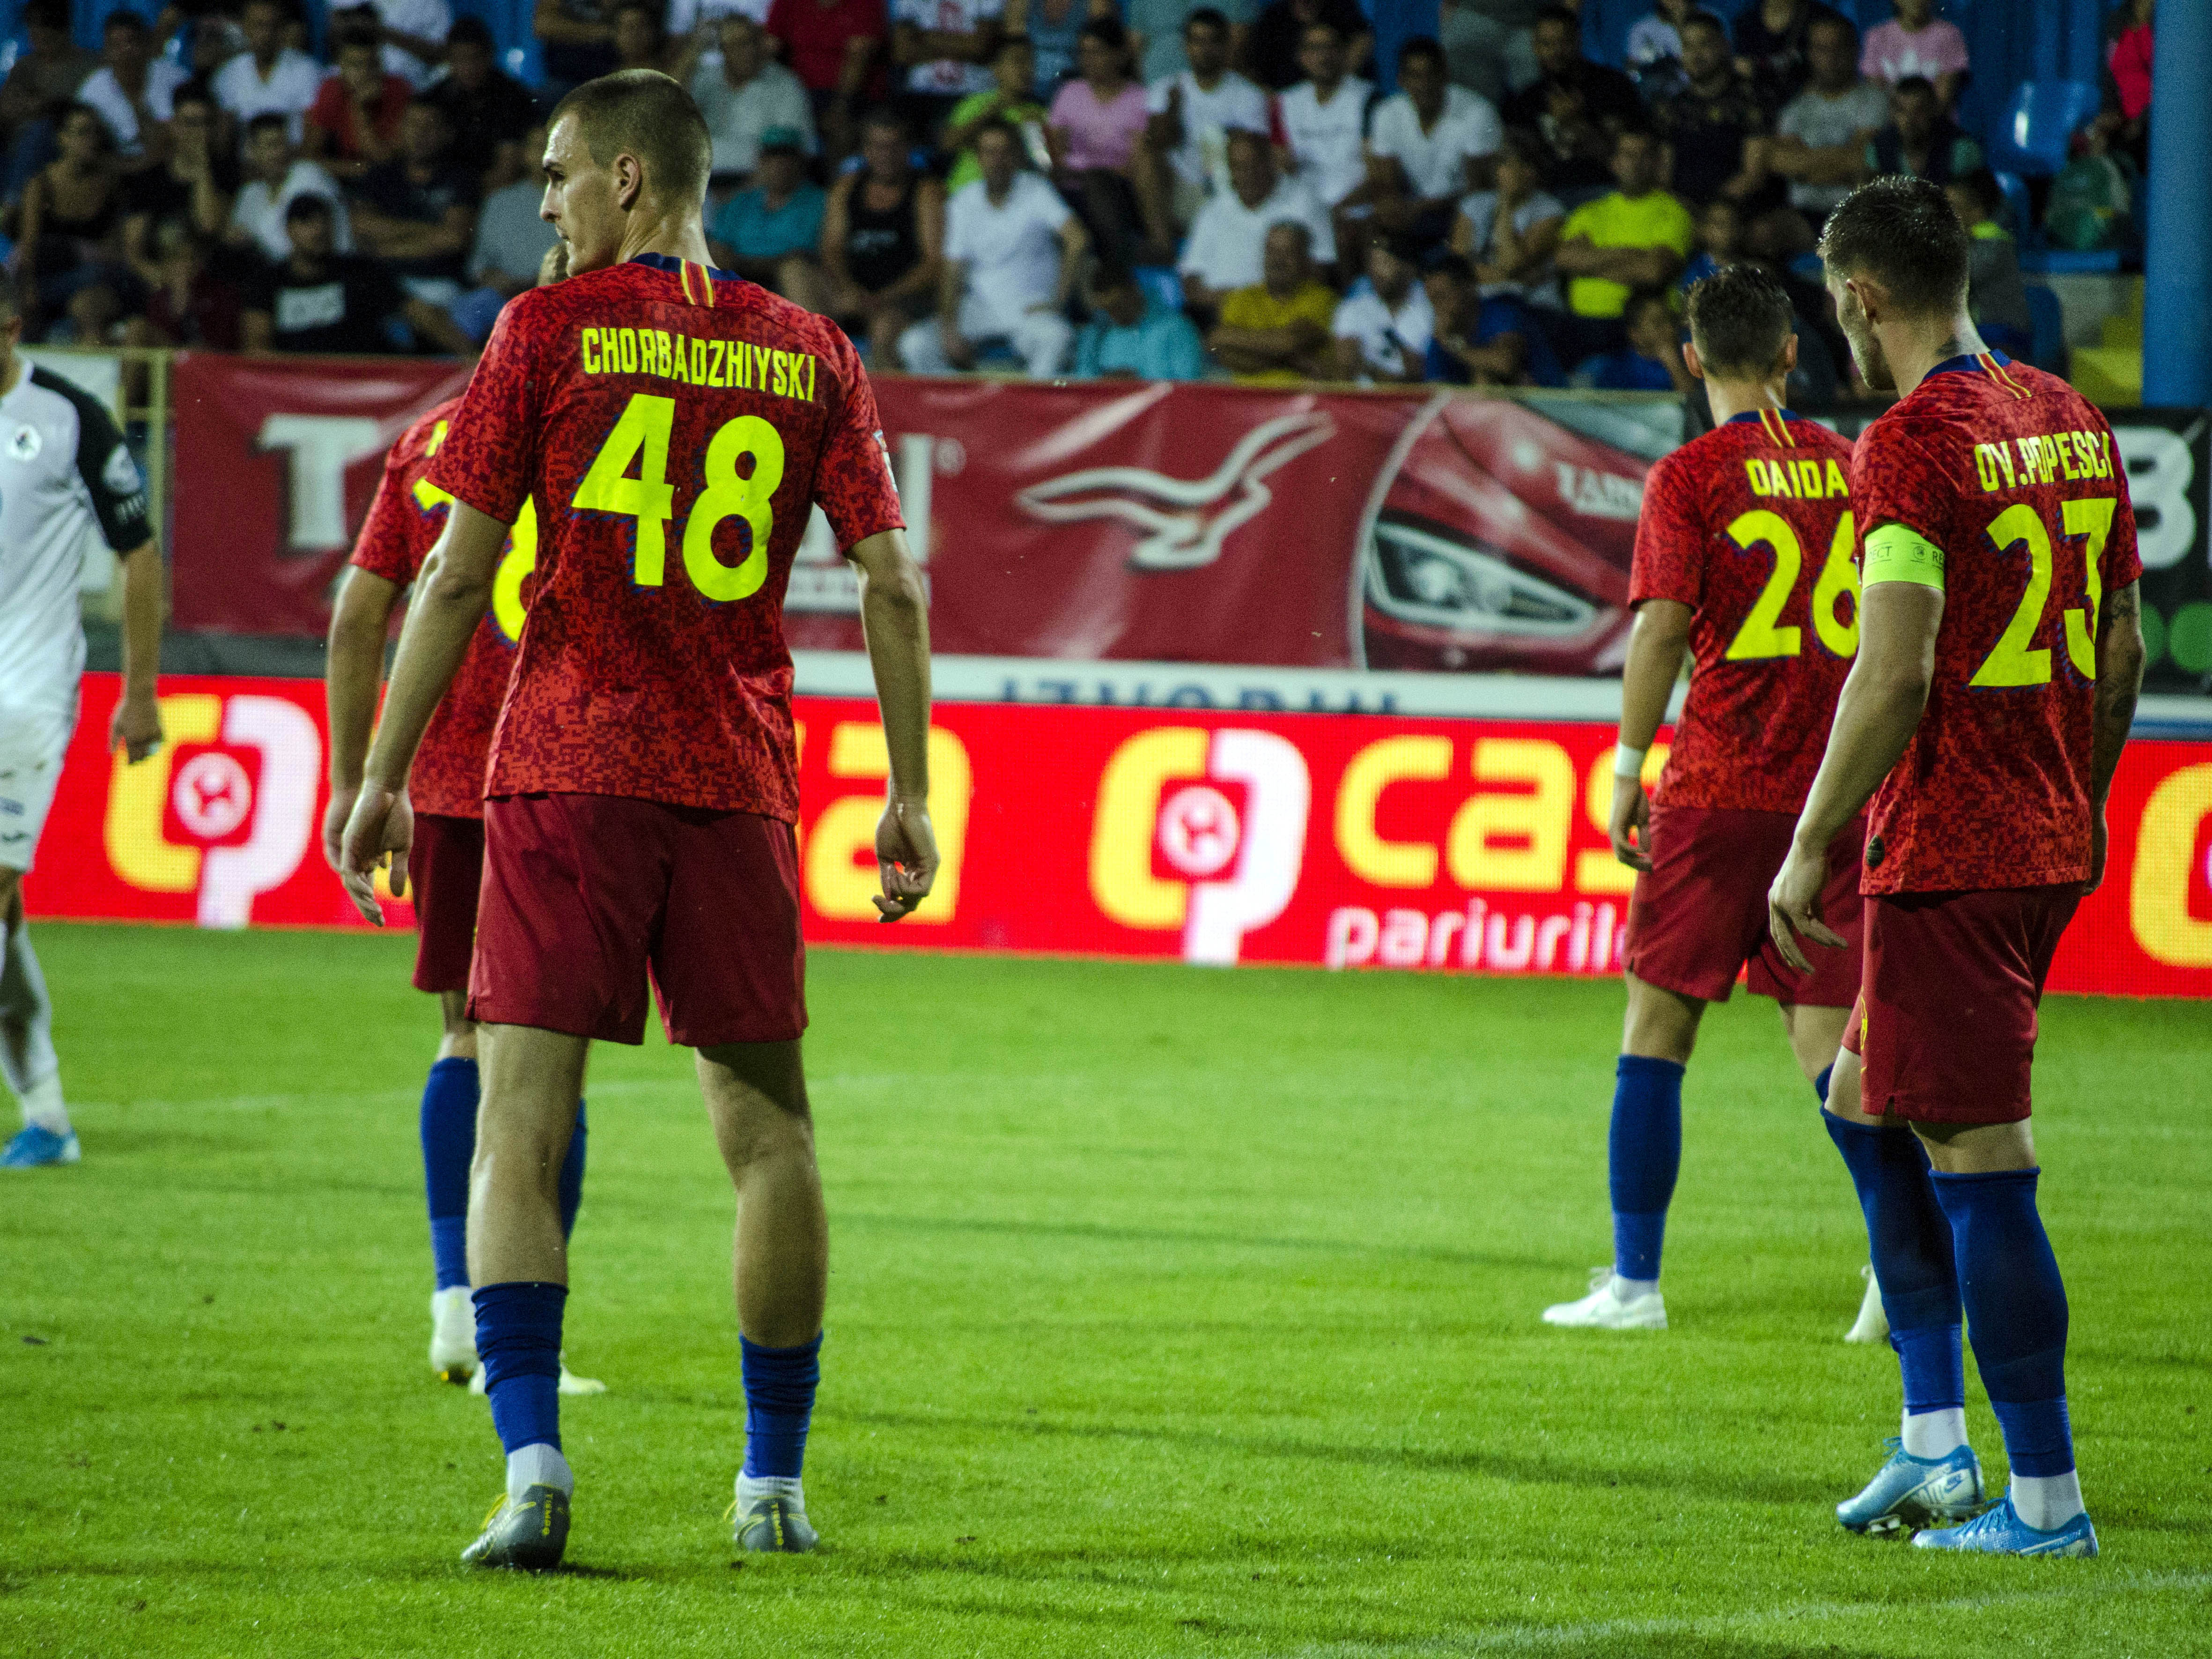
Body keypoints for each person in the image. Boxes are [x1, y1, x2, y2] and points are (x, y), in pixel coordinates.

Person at [338, 66, 933, 1570]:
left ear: (623, 176)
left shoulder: (539, 331)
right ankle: (772, 1483)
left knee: (517, 1128)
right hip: (734, 780)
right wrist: (910, 794)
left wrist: (380, 771)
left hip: (560, 767)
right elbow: (892, 582)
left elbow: (453, 576)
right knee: (769, 1136)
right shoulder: (811, 351)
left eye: (553, 175)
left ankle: (533, 1466)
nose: (538, 201)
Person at [1769, 174, 2144, 1557]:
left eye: (1834, 305)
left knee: (1979, 1156)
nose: (1837, 329)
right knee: (1859, 1097)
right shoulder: (2065, 414)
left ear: (1861, 296)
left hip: (1947, 851)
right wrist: (2078, 794)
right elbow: (2117, 643)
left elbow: (1893, 662)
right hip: (2041, 830)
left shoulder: (1908, 441)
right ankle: (1932, 1441)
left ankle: (2040, 1504)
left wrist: (1808, 840)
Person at [1540, 261, 1861, 1331]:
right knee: (1827, 1046)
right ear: (1787, 354)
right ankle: (1893, 1268)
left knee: (1654, 1030)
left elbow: (1660, 626)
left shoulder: (1685, 476)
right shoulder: (1850, 463)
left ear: (1689, 358)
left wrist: (1628, 764)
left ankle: (1633, 1282)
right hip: (1828, 791)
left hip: (1718, 785)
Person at [325, 249, 600, 1394]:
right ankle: (519, 1337)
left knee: (461, 1036)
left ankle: (455, 1306)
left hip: (440, 775)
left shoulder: (427, 443)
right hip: (572, 767)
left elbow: (357, 618)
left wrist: (356, 783)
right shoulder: (622, 426)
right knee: (555, 1065)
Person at [0, 285, 163, 1169]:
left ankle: (46, 1116)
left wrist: (139, 691)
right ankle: (49, 1113)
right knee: (7, 916)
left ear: (12, 327)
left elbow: (138, 552)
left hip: (27, 692)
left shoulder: (67, 418)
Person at [900, 116, 1086, 375]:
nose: (997, 160)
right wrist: (949, 328)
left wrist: (1057, 302)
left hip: (1031, 309)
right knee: (915, 345)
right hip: (981, 307)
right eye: (989, 152)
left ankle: (1030, 415)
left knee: (1057, 340)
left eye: (1005, 151)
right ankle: (958, 413)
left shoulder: (1035, 190)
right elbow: (953, 269)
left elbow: (1078, 239)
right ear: (978, 157)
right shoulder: (963, 201)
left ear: (1016, 155)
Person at [786, 106, 943, 365]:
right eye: (878, 147)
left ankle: (879, 404)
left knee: (883, 329)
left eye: (894, 146)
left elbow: (933, 263)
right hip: (852, 292)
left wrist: (885, 297)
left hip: (902, 298)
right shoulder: (847, 188)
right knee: (795, 271)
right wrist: (850, 290)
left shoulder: (926, 191)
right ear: (866, 150)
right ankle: (814, 381)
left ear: (907, 148)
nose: (886, 155)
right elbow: (831, 250)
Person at [242, 193, 476, 354]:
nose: (319, 231)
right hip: (296, 391)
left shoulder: (360, 272)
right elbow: (257, 345)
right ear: (289, 231)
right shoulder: (267, 282)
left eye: (324, 222)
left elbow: (419, 313)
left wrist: (473, 359)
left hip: (362, 388)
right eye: (307, 223)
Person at [1553, 126, 1693, 364]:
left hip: (1643, 329)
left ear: (1656, 162)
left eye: (1644, 155)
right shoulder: (1589, 212)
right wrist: (1628, 253)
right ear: (1615, 162)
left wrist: (1590, 264)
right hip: (1583, 324)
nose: (1636, 163)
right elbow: (1565, 259)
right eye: (1628, 155)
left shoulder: (1674, 213)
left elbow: (1653, 272)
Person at [1355, 35, 1501, 245]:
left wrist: (1421, 208)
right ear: (1401, 80)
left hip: (1462, 213)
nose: (1424, 84)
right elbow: (1385, 182)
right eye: (1415, 76)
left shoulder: (1477, 112)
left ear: (1445, 75)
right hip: (1413, 213)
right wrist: (1396, 209)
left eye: (1430, 74)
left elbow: (1478, 189)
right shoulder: (1387, 113)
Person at [1047, 17, 1167, 263]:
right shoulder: (1069, 93)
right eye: (1084, 52)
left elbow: (1139, 159)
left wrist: (1101, 174)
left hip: (1123, 188)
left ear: (1118, 56)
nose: (1088, 59)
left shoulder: (1138, 97)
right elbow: (1055, 153)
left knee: (1100, 182)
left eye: (1097, 52)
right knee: (1090, 181)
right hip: (1073, 186)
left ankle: (1151, 246)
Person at [1177, 125, 1333, 315]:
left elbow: (1322, 270)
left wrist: (1257, 302)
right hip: (1219, 312)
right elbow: (1191, 280)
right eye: (1238, 166)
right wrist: (1239, 303)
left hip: (1281, 312)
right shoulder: (1213, 210)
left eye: (1254, 164)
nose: (1247, 174)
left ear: (1271, 162)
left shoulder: (1304, 201)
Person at [1765, 15, 1886, 249]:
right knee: (1764, 233)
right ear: (1810, 54)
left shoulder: (1874, 101)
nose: (1830, 57)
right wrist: (1840, 162)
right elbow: (1782, 161)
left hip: (1857, 213)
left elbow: (1861, 160)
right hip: (1803, 216)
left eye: (1838, 48)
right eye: (1821, 49)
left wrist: (1808, 168)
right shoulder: (1795, 108)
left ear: (1854, 50)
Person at [14, 103, 133, 340]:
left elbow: (117, 251)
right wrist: (27, 288)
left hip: (95, 281)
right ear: (62, 139)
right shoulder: (40, 185)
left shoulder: (108, 185)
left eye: (94, 133)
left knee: (91, 297)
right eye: (81, 133)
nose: (90, 140)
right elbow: (28, 247)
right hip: (50, 283)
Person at [349, 101, 482, 311]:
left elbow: (455, 239)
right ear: (401, 130)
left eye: (430, 126)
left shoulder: (460, 179)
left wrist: (385, 248)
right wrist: (431, 232)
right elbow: (364, 226)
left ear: (446, 134)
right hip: (385, 283)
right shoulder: (380, 175)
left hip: (440, 285)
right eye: (413, 125)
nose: (421, 134)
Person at [1501, 5, 1642, 197]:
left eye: (1562, 43)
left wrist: (1576, 124)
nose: (1555, 52)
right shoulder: (1527, 99)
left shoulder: (1614, 86)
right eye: (1547, 44)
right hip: (1547, 199)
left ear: (1577, 41)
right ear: (1535, 47)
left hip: (1605, 192)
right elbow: (1525, 163)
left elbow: (1624, 158)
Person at [1143, 7, 1268, 218]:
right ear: (1186, 46)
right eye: (1197, 41)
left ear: (1226, 45)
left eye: (1213, 42)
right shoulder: (1166, 89)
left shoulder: (1248, 94)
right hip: (1180, 188)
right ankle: (1162, 248)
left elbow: (1255, 155)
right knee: (1146, 158)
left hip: (1229, 190)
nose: (1205, 49)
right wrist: (1173, 111)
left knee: (1216, 137)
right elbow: (1157, 142)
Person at [1652, 11, 1774, 213]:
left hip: (1738, 212)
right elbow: (1663, 175)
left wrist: (1714, 210)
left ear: (1724, 47)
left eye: (1704, 44)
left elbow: (1754, 175)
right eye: (1688, 46)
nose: (1696, 54)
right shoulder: (1671, 107)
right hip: (1681, 212)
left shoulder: (1752, 99)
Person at [689, 12, 818, 184]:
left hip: (754, 186)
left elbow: (794, 150)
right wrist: (693, 50)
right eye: (740, 45)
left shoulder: (784, 84)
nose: (749, 51)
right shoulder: (705, 80)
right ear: (724, 49)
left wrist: (745, 195)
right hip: (699, 183)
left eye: (753, 42)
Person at [420, 18, 544, 193]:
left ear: (490, 56)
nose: (470, 68)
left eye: (476, 58)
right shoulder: (436, 99)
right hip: (442, 193)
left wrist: (466, 198)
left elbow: (507, 170)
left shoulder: (513, 97)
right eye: (461, 59)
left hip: (493, 195)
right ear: (450, 60)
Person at [1206, 218, 1334, 384]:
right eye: (1272, 251)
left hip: (1302, 403)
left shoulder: (1322, 299)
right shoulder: (1241, 298)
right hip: (1246, 403)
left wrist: (1242, 343)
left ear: (1306, 259)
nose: (1278, 260)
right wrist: (1292, 363)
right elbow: (1219, 344)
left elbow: (1288, 341)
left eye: (1289, 252)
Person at [1450, 128, 1562, 309]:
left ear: (1529, 171)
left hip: (1531, 306)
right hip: (1479, 303)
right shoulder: (1474, 204)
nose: (1498, 171)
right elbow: (1456, 270)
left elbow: (1511, 264)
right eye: (1498, 164)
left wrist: (1504, 204)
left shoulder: (1549, 211)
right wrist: (1512, 278)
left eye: (1506, 164)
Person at [1272, 20, 1374, 216]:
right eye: (1314, 49)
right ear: (1301, 56)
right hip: (1302, 213)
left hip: (1356, 213)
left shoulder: (1367, 98)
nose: (1323, 56)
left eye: (1330, 47)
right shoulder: (1286, 103)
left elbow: (1378, 174)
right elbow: (1280, 163)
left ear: (1344, 52)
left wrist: (1338, 210)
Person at [1941, 169, 2034, 385]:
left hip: (2002, 335)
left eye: (1953, 207)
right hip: (1977, 335)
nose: (1944, 215)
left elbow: (1956, 279)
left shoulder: (1994, 243)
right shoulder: (1965, 242)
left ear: (1977, 211)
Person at [764, 0, 888, 160]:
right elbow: (771, 45)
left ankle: (840, 183)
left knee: (841, 129)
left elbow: (860, 54)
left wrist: (840, 107)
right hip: (798, 92)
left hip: (853, 96)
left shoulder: (865, 4)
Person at [227, 111, 353, 265]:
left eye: (282, 144)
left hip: (329, 271)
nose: (279, 153)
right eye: (271, 146)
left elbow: (321, 239)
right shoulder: (249, 194)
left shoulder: (310, 175)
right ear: (253, 151)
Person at [710, 127, 828, 288]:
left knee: (794, 271)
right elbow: (720, 247)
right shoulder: (743, 201)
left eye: (787, 156)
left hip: (789, 290)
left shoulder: (818, 201)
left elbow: (802, 257)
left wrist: (745, 265)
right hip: (737, 285)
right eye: (772, 156)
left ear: (801, 161)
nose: (779, 164)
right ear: (761, 161)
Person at [1422, 247, 1556, 385]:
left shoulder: (1500, 312)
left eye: (1442, 296)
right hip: (1497, 404)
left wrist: (1453, 345)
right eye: (1432, 299)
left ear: (1468, 287)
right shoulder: (1444, 332)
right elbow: (1435, 386)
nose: (1437, 306)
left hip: (1552, 399)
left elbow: (1504, 363)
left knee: (1484, 375)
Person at [76, 9, 190, 163]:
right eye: (116, 45)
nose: (125, 51)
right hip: (117, 171)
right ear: (106, 51)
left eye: (132, 42)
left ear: (146, 45)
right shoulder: (91, 91)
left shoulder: (176, 79)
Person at [305, 26, 414, 181]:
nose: (364, 72)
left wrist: (360, 109)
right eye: (356, 65)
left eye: (371, 65)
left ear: (381, 65)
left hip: (391, 179)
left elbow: (383, 159)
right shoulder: (331, 90)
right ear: (341, 67)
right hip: (349, 177)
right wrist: (357, 170)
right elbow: (310, 157)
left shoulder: (397, 90)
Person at [212, 0, 324, 150]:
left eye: (272, 26)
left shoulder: (306, 69)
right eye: (259, 25)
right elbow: (223, 137)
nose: (266, 34)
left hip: (292, 160)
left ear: (282, 29)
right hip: (247, 166)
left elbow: (314, 132)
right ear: (246, 28)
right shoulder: (228, 73)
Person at [942, 32, 1047, 193]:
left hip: (1015, 197)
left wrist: (1032, 133)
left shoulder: (1038, 113)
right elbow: (948, 144)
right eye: (1017, 61)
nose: (1026, 68)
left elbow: (1044, 165)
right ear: (996, 69)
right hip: (966, 191)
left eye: (1030, 62)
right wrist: (988, 114)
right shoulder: (975, 103)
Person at [1072, 261, 1206, 379]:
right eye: (1106, 310)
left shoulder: (1177, 328)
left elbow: (1189, 384)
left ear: (1134, 292)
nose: (1113, 315)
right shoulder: (1096, 334)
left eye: (1117, 306)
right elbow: (1083, 380)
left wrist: (1137, 382)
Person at [892, 0, 1004, 138]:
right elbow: (903, 52)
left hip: (975, 95)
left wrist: (922, 37)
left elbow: (981, 47)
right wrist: (964, 45)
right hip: (920, 95)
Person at [1331, 232, 1432, 383]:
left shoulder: (1428, 308)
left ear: (1408, 268)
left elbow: (1415, 376)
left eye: (1385, 263)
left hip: (1415, 399)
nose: (1376, 273)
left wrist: (1368, 369)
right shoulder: (1353, 309)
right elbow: (1345, 368)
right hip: (1361, 401)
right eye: (1373, 264)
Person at [1865, 76, 1980, 191]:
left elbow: (1968, 203)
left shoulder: (1960, 149)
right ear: (1892, 114)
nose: (1910, 120)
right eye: (1902, 111)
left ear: (1933, 110)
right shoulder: (1879, 149)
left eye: (1919, 110)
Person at [1732, 0, 1846, 114]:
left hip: (1816, 109)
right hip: (1760, 110)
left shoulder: (1823, 18)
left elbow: (1840, 69)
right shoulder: (1746, 22)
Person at [1571, 285, 1694, 391]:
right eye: (1658, 323)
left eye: (1671, 320)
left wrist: (1674, 365)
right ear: (1635, 334)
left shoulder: (1691, 358)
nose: (1670, 328)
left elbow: (1696, 407)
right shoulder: (1608, 368)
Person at [1858, 0, 1967, 110]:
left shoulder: (1949, 35)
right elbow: (1876, 94)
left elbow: (1944, 97)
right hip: (1889, 124)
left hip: (1936, 122)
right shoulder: (1876, 37)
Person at [1245, 0, 1370, 94]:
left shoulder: (1341, 9)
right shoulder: (1273, 18)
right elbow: (1254, 71)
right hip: (1283, 100)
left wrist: (1335, 89)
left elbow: (1362, 40)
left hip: (1337, 94)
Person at [1006, 0, 1117, 97]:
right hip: (1025, 84)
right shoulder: (1021, 4)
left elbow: (1103, 41)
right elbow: (1011, 45)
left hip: (1076, 85)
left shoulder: (1094, 5)